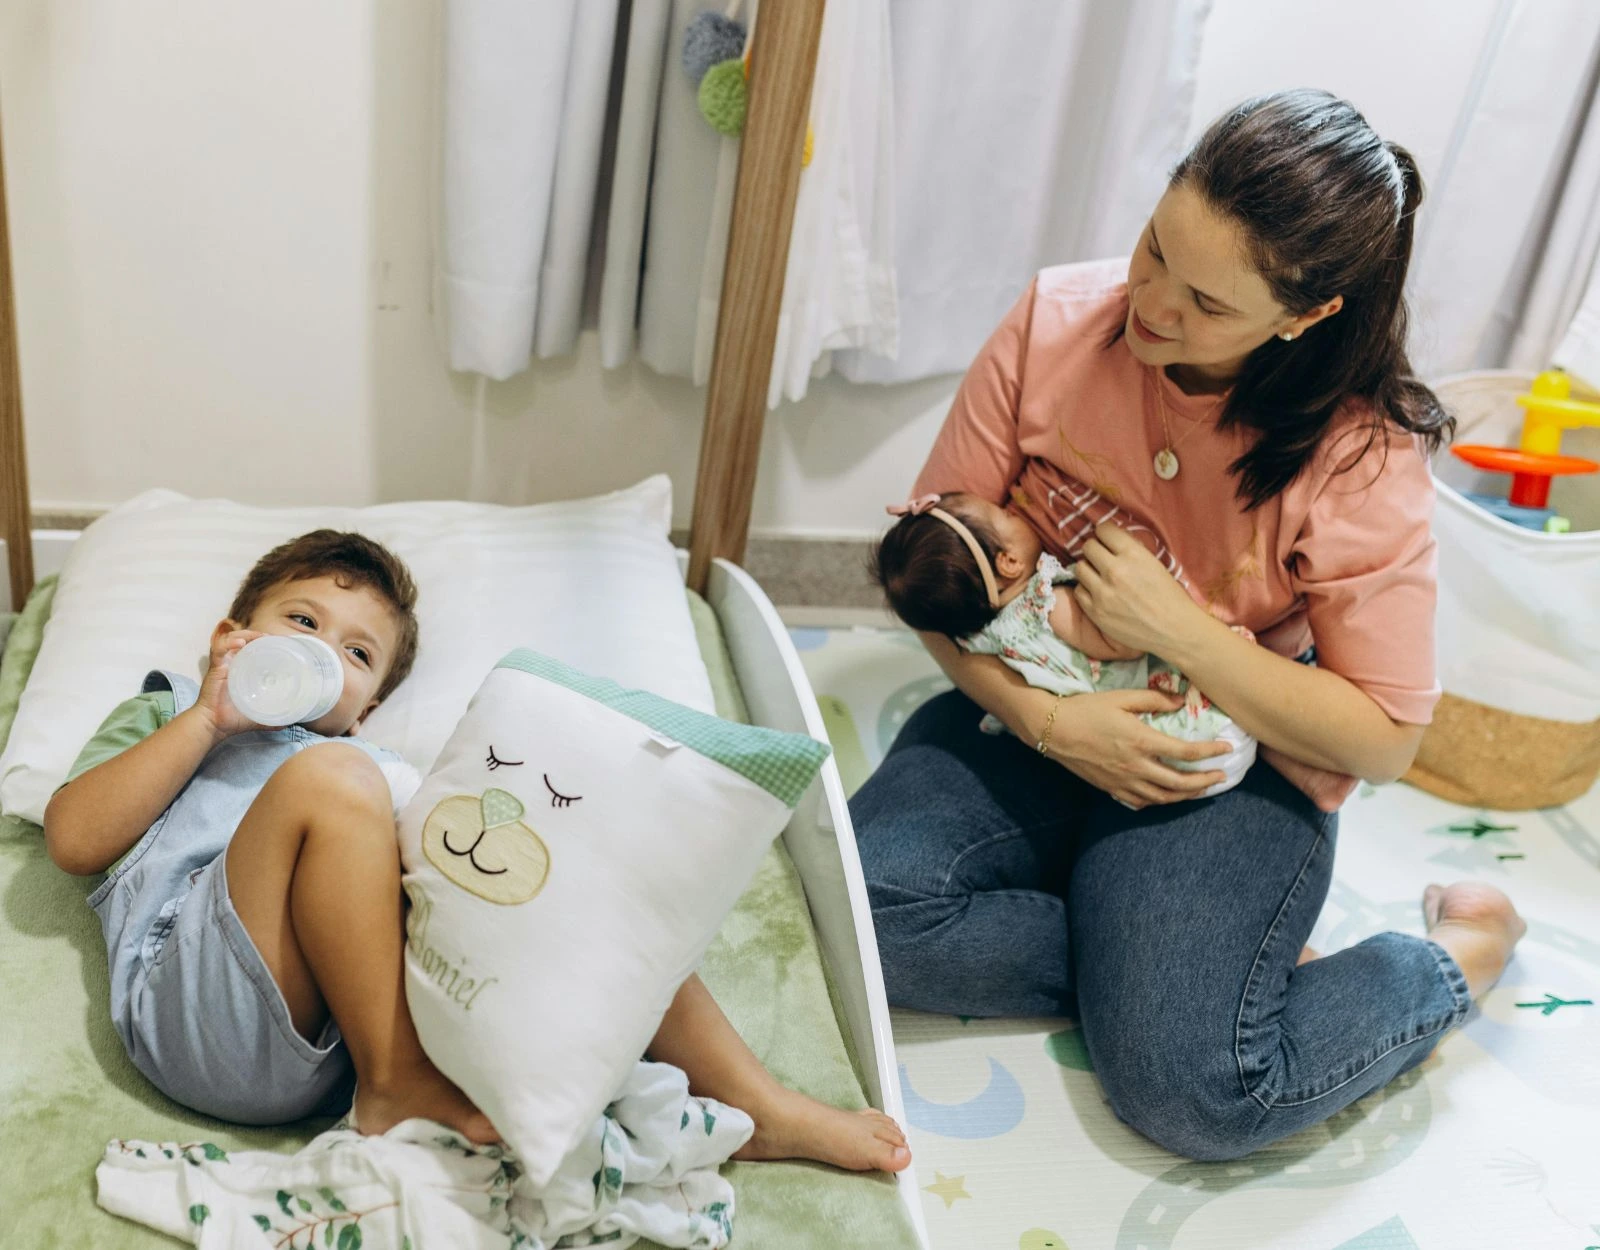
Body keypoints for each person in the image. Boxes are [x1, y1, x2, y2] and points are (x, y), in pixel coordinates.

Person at [849, 89, 1526, 1162]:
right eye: (1153, 247)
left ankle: (1455, 954)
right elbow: (937, 578)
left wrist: (1189, 630)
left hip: (1226, 766)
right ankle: (1169, 968)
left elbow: (1382, 737)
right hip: (1024, 716)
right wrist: (1050, 726)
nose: (1151, 304)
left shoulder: (1359, 454)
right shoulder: (1054, 320)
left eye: (1206, 302)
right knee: (862, 908)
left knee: (1196, 1092)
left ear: (1304, 316)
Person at [45, 529, 909, 1173]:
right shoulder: (169, 716)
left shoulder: (369, 765)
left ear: (368, 708)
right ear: (231, 638)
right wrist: (208, 713)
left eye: (355, 653)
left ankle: (751, 1101)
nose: (319, 651)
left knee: (546, 868)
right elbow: (76, 839)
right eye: (300, 621)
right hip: (191, 1009)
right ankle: (399, 1081)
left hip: (324, 1038)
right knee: (336, 784)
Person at [868, 490, 1255, 798]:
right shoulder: (1048, 605)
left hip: (1127, 768)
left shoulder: (977, 637)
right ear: (1008, 563)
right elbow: (1125, 647)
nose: (1015, 510)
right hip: (1192, 745)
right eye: (1007, 516)